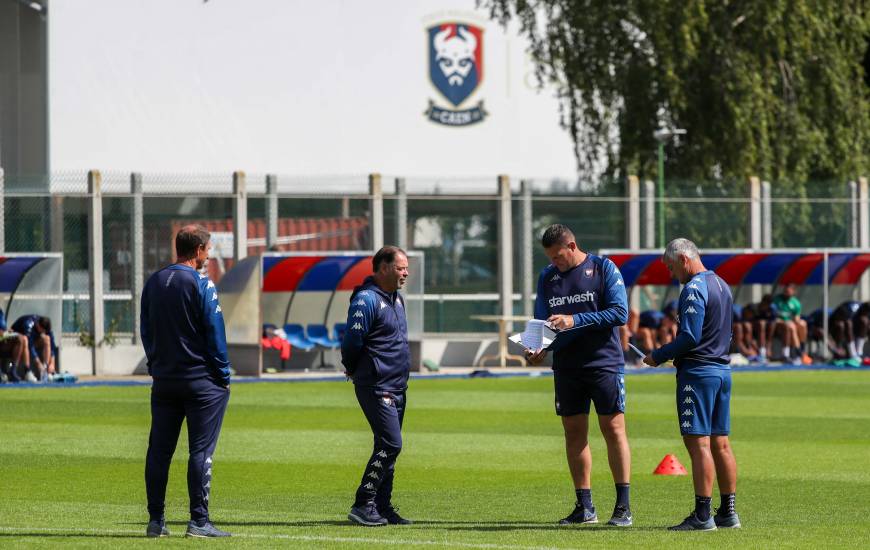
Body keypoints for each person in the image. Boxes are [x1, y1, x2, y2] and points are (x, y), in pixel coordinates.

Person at [525, 224, 632, 527]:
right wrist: (536, 348)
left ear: (572, 246)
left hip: (604, 363)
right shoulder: (547, 277)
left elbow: (619, 313)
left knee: (613, 430)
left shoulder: (603, 268)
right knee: (574, 433)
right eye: (550, 258)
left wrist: (574, 319)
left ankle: (623, 507)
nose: (554, 263)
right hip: (567, 367)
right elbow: (542, 323)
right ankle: (584, 507)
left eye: (558, 257)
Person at [141, 224, 232, 538]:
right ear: (199, 250)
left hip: (164, 381)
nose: (208, 256)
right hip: (200, 382)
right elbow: (215, 333)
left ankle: (156, 521)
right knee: (201, 451)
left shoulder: (153, 282)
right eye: (208, 250)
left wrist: (156, 365)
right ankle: (199, 521)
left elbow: (146, 330)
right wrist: (224, 375)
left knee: (159, 451)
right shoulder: (201, 283)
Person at [643, 238, 740, 531]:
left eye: (672, 268)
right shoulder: (722, 284)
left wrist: (658, 355)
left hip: (698, 374)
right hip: (722, 371)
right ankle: (728, 512)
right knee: (721, 444)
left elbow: (689, 338)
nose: (673, 275)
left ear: (684, 259)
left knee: (698, 446)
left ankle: (702, 515)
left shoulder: (694, 288)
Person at [341, 246, 413, 527]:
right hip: (376, 384)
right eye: (400, 268)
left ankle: (382, 507)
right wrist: (353, 366)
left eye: (406, 268)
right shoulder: (366, 299)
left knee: (387, 448)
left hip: (397, 385)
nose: (405, 273)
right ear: (383, 268)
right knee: (391, 443)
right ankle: (363, 503)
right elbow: (352, 341)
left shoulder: (397, 299)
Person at [11, 314, 56, 382]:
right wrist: (38, 363)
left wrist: (52, 363)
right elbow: (30, 346)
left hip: (32, 341)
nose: (43, 332)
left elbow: (52, 345)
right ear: (38, 325)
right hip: (17, 343)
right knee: (25, 340)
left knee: (47, 338)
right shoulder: (28, 325)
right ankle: (27, 371)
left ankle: (45, 369)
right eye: (42, 331)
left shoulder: (44, 326)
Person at [770, 284, 808, 364]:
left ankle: (802, 349)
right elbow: (773, 316)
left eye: (788, 291)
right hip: (779, 325)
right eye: (785, 291)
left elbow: (796, 318)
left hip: (790, 324)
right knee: (791, 327)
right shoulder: (777, 300)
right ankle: (798, 354)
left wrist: (798, 321)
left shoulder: (795, 303)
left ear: (793, 292)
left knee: (802, 324)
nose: (786, 293)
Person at [0, 308, 28, 383]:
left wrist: (6, 331)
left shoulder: (0, 313)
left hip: (2, 341)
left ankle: (13, 371)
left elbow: (3, 328)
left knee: (20, 338)